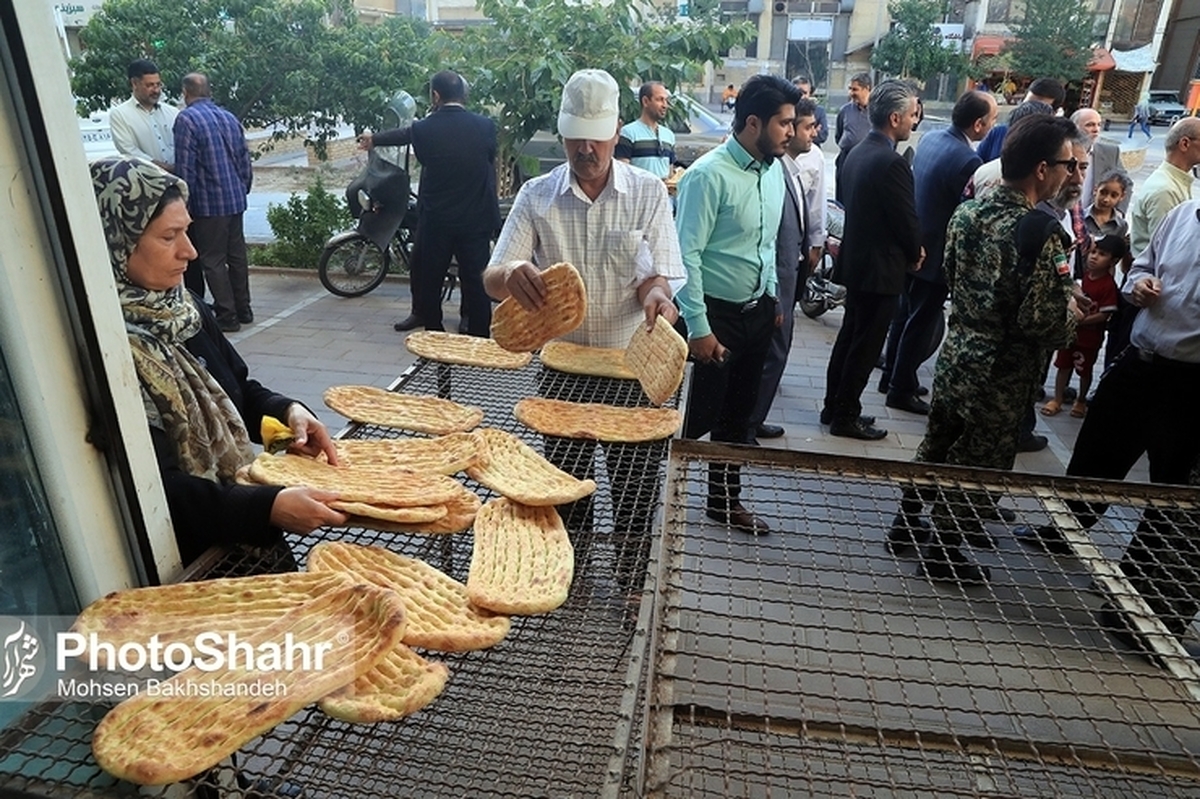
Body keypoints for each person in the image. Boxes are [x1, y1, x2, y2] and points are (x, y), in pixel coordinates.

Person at [89, 157, 346, 566]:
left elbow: (238, 395)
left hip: (249, 544)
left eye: (186, 231)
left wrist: (289, 419)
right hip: (190, 561)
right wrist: (267, 508)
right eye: (169, 237)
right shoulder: (105, 351)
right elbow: (156, 486)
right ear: (116, 244)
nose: (189, 251)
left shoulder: (185, 308)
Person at [482, 69, 684, 572]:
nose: (586, 150)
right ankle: (567, 578)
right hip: (561, 370)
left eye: (596, 139)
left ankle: (632, 580)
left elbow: (653, 276)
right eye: (576, 139)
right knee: (565, 489)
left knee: (635, 488)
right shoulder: (536, 196)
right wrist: (511, 275)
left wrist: (659, 297)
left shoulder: (647, 194)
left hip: (626, 368)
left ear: (617, 131)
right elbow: (491, 276)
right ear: (563, 134)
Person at [892, 115, 1082, 584]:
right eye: (1068, 164)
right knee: (980, 461)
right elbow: (1041, 320)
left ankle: (905, 524)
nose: (1071, 174)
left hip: (960, 352)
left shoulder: (970, 211)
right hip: (1002, 369)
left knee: (939, 440)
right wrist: (1072, 318)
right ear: (1042, 169)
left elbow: (954, 277)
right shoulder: (1041, 232)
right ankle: (943, 551)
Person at [1032, 198, 1200, 651]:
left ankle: (1144, 604)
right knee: (1099, 449)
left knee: (1173, 493)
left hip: (1191, 381)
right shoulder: (1184, 214)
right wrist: (1139, 282)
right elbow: (1140, 266)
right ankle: (1068, 528)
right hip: (1143, 361)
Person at [675, 74, 801, 535]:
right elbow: (685, 254)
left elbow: (764, 244)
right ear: (754, 122)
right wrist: (699, 327)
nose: (791, 131)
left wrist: (772, 298)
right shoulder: (706, 176)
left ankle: (723, 502)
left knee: (738, 420)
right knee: (692, 419)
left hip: (757, 313)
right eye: (784, 123)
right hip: (714, 317)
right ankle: (655, 494)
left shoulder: (774, 172)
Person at [881, 90, 998, 415]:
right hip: (934, 254)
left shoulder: (932, 138)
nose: (992, 126)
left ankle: (892, 375)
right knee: (920, 322)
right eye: (992, 120)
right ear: (978, 124)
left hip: (914, 244)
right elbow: (965, 213)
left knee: (905, 316)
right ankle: (900, 389)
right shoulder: (968, 160)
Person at [360, 70, 501, 336]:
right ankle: (480, 337)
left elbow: (408, 136)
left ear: (435, 95)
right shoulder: (485, 126)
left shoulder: (425, 128)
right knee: (476, 281)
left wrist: (374, 139)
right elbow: (488, 159)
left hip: (438, 221)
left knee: (430, 278)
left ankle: (434, 333)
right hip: (475, 220)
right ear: (463, 94)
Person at [821, 80, 922, 441]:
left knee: (850, 337)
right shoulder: (891, 162)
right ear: (895, 118)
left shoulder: (856, 152)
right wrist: (916, 251)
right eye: (912, 115)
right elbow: (905, 220)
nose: (915, 122)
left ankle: (833, 405)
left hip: (858, 260)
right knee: (864, 346)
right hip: (881, 269)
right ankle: (846, 414)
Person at [751, 96, 819, 441]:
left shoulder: (790, 170)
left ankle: (754, 418)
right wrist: (775, 295)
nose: (807, 133)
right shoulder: (774, 171)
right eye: (795, 124)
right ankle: (749, 422)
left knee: (776, 354)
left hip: (787, 282)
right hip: (775, 285)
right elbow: (769, 240)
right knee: (772, 354)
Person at [1109, 117, 1200, 369]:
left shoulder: (1175, 189)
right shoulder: (1175, 202)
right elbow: (1154, 264)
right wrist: (1140, 284)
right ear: (1185, 143)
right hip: (1148, 348)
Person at [173, 72, 254, 332]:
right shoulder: (229, 118)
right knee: (237, 256)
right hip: (234, 199)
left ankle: (227, 316)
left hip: (209, 205)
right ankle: (244, 309)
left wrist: (183, 206)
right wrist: (243, 189)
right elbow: (244, 160)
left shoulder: (186, 119)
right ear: (209, 91)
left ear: (186, 93)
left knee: (213, 260)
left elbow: (187, 170)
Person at [1041, 234, 1123, 418]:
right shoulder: (1080, 278)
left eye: (1101, 254)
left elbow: (1105, 313)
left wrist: (1081, 320)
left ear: (1114, 261)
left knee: (1085, 369)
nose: (1094, 256)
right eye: (1093, 252)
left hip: (1089, 339)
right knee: (1063, 365)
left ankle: (1081, 399)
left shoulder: (1108, 286)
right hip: (1069, 334)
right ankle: (1058, 398)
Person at [108, 58, 178, 173]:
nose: (156, 90)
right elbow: (129, 150)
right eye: (150, 85)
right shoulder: (120, 115)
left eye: (158, 85)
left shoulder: (172, 112)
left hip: (179, 180)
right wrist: (162, 168)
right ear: (134, 83)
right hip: (147, 181)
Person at [977, 77, 1065, 162]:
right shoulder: (998, 133)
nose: (1030, 109)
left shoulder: (1058, 148)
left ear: (1055, 113)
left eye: (1040, 107)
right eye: (1027, 103)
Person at [616, 81, 676, 179]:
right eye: (660, 100)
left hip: (664, 193)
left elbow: (670, 173)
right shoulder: (628, 133)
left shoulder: (669, 136)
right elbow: (623, 173)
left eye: (666, 100)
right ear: (645, 101)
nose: (665, 105)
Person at [1071, 107, 1125, 215]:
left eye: (1099, 124)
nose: (1096, 129)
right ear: (1074, 127)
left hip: (1094, 220)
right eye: (1090, 125)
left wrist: (1118, 212)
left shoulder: (1110, 152)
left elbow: (1126, 183)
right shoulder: (1062, 152)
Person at [833, 72, 872, 202]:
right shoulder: (845, 110)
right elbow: (838, 135)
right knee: (842, 200)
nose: (851, 93)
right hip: (845, 160)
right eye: (850, 89)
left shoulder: (877, 112)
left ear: (867, 89)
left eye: (855, 89)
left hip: (867, 163)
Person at [792, 76, 829, 146]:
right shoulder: (787, 111)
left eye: (805, 93)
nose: (802, 96)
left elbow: (823, 135)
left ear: (809, 93)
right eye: (799, 93)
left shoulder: (819, 111)